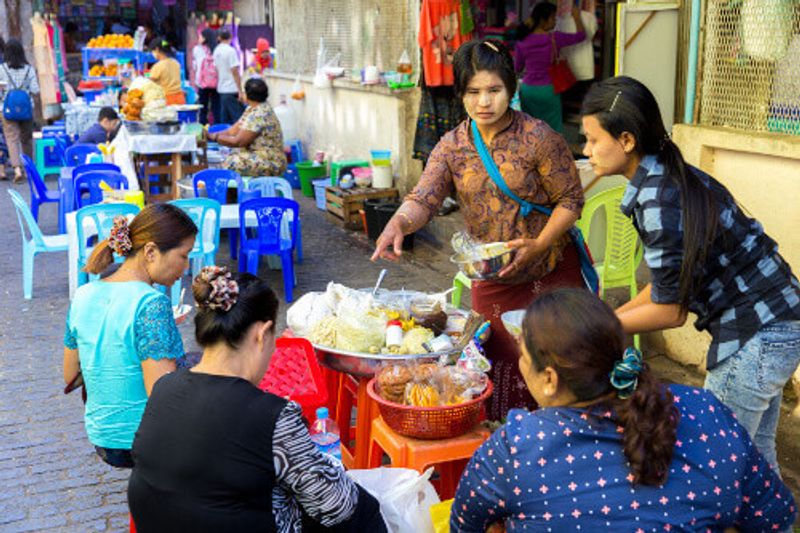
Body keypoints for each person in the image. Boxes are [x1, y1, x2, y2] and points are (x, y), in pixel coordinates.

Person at [581, 75, 800, 472]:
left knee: (712, 459)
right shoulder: (665, 172)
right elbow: (664, 287)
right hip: (780, 317)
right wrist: (608, 321)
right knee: (754, 450)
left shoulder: (657, 198)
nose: (587, 150)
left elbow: (670, 311)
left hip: (759, 329)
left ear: (627, 140)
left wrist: (600, 327)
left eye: (594, 140)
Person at [451, 288, 797, 532]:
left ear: (550, 379)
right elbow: (775, 516)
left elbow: (464, 524)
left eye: (523, 356)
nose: (521, 363)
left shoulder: (517, 446)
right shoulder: (705, 411)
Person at [372, 39, 585, 420]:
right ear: (460, 93)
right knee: (497, 367)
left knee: (558, 368)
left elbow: (571, 200)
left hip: (549, 270)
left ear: (511, 88)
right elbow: (424, 197)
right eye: (473, 92)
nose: (483, 102)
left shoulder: (539, 137)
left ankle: (562, 451)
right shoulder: (452, 146)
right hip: (493, 277)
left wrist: (539, 244)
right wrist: (398, 223)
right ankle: (508, 446)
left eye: (493, 91)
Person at [128, 267, 387, 532]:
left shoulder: (164, 388)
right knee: (364, 510)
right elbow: (337, 505)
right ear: (262, 335)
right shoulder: (273, 416)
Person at [63, 204, 197, 468]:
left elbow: (70, 376)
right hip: (138, 440)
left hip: (101, 436)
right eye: (184, 255)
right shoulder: (151, 304)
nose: (186, 267)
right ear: (150, 252)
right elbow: (162, 395)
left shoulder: (83, 295)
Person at [514, 3, 585, 133]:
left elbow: (517, 68)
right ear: (544, 20)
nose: (555, 21)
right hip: (549, 90)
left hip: (528, 90)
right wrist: (576, 17)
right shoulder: (554, 38)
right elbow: (581, 36)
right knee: (553, 129)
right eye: (553, 18)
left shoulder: (522, 41)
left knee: (529, 128)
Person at [207, 78, 287, 177]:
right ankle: (236, 190)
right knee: (227, 155)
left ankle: (234, 192)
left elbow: (238, 142)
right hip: (258, 155)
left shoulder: (260, 113)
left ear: (248, 95)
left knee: (231, 163)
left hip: (270, 161)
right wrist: (210, 135)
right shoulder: (252, 108)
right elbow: (232, 131)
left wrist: (213, 137)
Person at [0, 38, 39, 183]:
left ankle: (17, 169)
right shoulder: (29, 69)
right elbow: (35, 89)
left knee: (11, 139)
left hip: (7, 108)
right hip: (27, 109)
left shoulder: (2, 69)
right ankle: (29, 169)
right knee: (26, 139)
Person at [213, 29, 244, 124]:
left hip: (222, 89)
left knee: (225, 119)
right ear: (230, 38)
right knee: (238, 119)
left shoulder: (216, 51)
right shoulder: (231, 51)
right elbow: (235, 71)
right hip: (232, 89)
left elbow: (216, 69)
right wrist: (240, 90)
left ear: (219, 38)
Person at [192, 28, 221, 125]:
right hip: (215, 82)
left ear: (204, 38)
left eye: (200, 36)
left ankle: (202, 128)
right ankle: (217, 128)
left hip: (202, 83)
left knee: (202, 107)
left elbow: (195, 66)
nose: (198, 38)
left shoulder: (197, 49)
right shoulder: (217, 49)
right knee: (216, 107)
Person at [147, 38, 185, 105]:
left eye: (152, 51)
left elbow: (150, 83)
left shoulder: (158, 66)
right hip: (180, 98)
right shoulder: (176, 63)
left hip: (166, 100)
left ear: (157, 50)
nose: (152, 54)